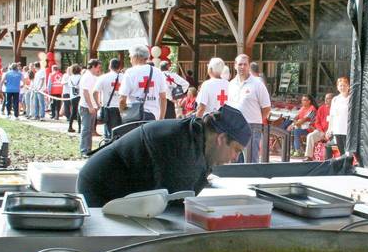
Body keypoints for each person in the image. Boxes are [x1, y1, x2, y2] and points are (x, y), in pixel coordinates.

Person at [77, 105, 251, 208]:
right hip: (99, 189)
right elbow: (175, 208)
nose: (235, 157)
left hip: (122, 189)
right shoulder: (183, 150)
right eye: (236, 149)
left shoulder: (197, 136)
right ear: (221, 139)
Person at [227, 53, 271, 163]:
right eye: (240, 64)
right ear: (235, 65)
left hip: (251, 127)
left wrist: (256, 121)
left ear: (248, 66)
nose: (242, 67)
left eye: (245, 64)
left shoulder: (257, 84)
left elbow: (266, 107)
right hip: (234, 127)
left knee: (250, 160)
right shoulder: (231, 84)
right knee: (234, 160)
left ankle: (253, 180)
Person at [119, 45, 168, 123]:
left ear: (136, 57)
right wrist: (161, 118)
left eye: (130, 57)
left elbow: (122, 99)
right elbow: (163, 98)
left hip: (133, 117)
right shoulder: (158, 72)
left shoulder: (130, 72)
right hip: (153, 117)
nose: (130, 60)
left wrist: (123, 114)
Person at [95, 58, 127, 139]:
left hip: (108, 108)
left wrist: (98, 104)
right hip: (122, 108)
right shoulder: (125, 78)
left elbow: (94, 92)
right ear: (119, 67)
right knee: (121, 132)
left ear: (109, 66)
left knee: (109, 132)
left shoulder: (103, 77)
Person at [78, 59, 103, 156]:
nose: (99, 70)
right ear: (93, 66)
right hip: (86, 107)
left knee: (90, 129)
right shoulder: (87, 77)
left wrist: (97, 104)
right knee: (86, 129)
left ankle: (88, 149)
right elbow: (85, 92)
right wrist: (90, 106)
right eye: (98, 67)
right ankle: (84, 150)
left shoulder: (93, 77)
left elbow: (95, 92)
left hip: (92, 107)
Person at [326, 77, 351, 158]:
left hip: (347, 130)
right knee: (339, 151)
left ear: (348, 86)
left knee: (347, 153)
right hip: (337, 130)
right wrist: (329, 129)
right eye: (340, 86)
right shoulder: (335, 99)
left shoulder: (351, 98)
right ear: (337, 87)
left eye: (344, 85)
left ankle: (347, 168)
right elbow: (332, 115)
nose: (342, 87)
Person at [305, 92, 334, 160]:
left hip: (332, 132)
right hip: (321, 131)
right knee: (310, 136)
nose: (326, 100)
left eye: (328, 99)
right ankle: (308, 156)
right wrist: (322, 131)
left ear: (333, 100)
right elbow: (317, 122)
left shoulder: (336, 109)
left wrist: (328, 132)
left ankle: (329, 158)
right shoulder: (321, 108)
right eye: (325, 98)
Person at [64, 64, 82, 132]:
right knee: (79, 112)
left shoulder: (70, 77)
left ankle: (70, 126)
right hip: (79, 96)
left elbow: (69, 85)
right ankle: (80, 128)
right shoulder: (81, 77)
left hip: (72, 96)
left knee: (73, 112)